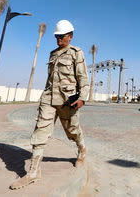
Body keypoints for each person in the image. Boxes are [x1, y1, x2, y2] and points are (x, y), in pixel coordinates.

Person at [10, 20, 89, 190]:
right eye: (56, 36)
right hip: (48, 98)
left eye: (61, 36)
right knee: (40, 132)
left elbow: (83, 77)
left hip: (68, 101)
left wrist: (82, 98)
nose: (58, 39)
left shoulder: (77, 53)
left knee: (73, 130)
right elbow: (50, 79)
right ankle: (33, 172)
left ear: (70, 36)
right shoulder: (52, 54)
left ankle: (82, 150)